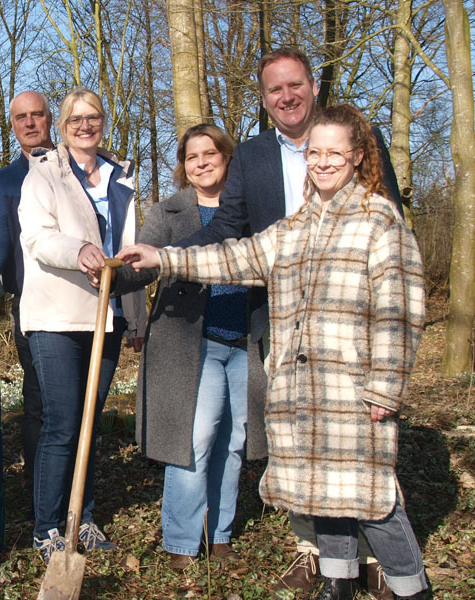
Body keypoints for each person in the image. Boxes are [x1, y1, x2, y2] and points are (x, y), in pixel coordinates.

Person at [116, 104, 429, 600]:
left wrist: (386, 388)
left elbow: (401, 312)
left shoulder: (380, 222)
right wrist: (164, 258)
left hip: (354, 388)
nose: (323, 162)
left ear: (357, 157)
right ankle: (338, 581)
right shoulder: (297, 226)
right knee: (321, 492)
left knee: (373, 499)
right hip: (300, 387)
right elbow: (234, 256)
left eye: (335, 153)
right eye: (315, 153)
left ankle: (413, 588)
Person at [179, 47, 400, 595]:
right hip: (282, 323)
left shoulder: (361, 142)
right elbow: (229, 232)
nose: (286, 97)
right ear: (264, 98)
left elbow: (392, 225)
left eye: (294, 85)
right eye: (274, 90)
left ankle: (372, 557)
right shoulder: (251, 157)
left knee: (360, 444)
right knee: (301, 442)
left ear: (312, 87)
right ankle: (318, 556)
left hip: (353, 327)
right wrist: (164, 256)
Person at [115, 124, 265, 570]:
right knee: (194, 438)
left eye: (210, 153)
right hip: (190, 341)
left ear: (227, 158)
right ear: (185, 165)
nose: (201, 162)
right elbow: (145, 264)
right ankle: (181, 541)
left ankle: (218, 535)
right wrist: (116, 275)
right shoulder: (169, 211)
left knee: (234, 440)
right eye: (192, 156)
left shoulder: (251, 211)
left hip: (245, 339)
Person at [18, 88, 145, 562]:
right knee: (63, 422)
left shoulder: (121, 178)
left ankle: (83, 518)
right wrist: (79, 251)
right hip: (55, 314)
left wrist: (134, 314)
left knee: (90, 423)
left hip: (104, 316)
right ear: (63, 125)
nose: (85, 125)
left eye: (93, 117)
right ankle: (48, 527)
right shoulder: (44, 175)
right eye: (75, 119)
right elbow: (39, 238)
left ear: (103, 121)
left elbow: (132, 250)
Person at [0, 91, 54, 518]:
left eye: (36, 115)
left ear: (49, 119)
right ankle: (39, 488)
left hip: (84, 302)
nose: (29, 123)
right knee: (39, 399)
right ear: (12, 125)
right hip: (33, 305)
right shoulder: (5, 183)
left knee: (80, 401)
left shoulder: (73, 169)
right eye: (20, 117)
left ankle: (81, 491)